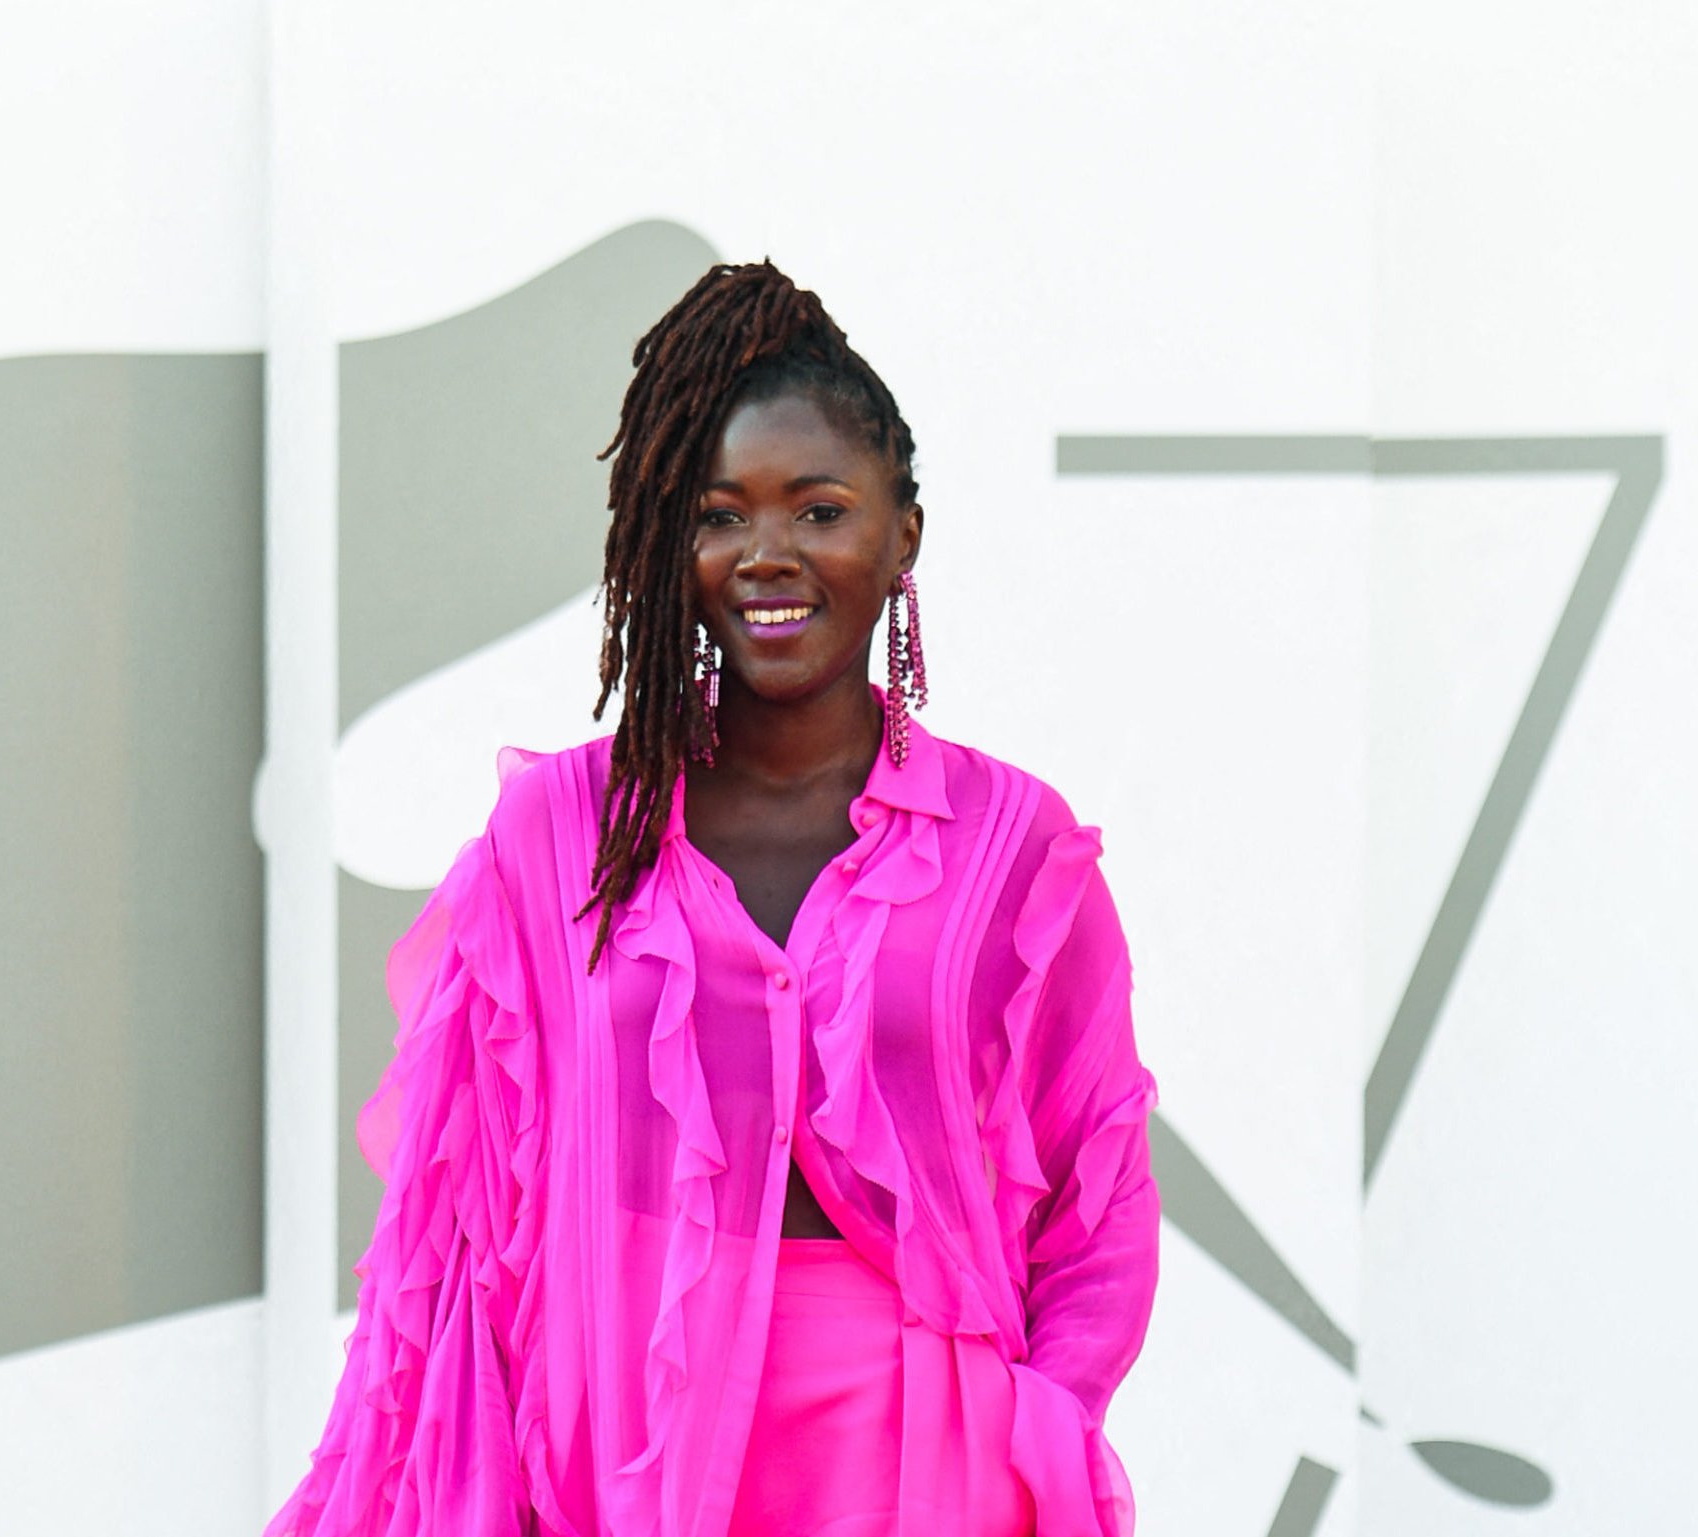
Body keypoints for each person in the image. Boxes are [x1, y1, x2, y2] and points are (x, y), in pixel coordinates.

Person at [266, 260, 1161, 1536]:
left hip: (924, 1462)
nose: (768, 554)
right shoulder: (561, 834)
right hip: (626, 1453)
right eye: (720, 514)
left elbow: (1100, 1178)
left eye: (819, 508)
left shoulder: (1013, 844)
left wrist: (1038, 1431)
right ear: (669, 544)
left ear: (903, 532)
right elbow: (463, 1215)